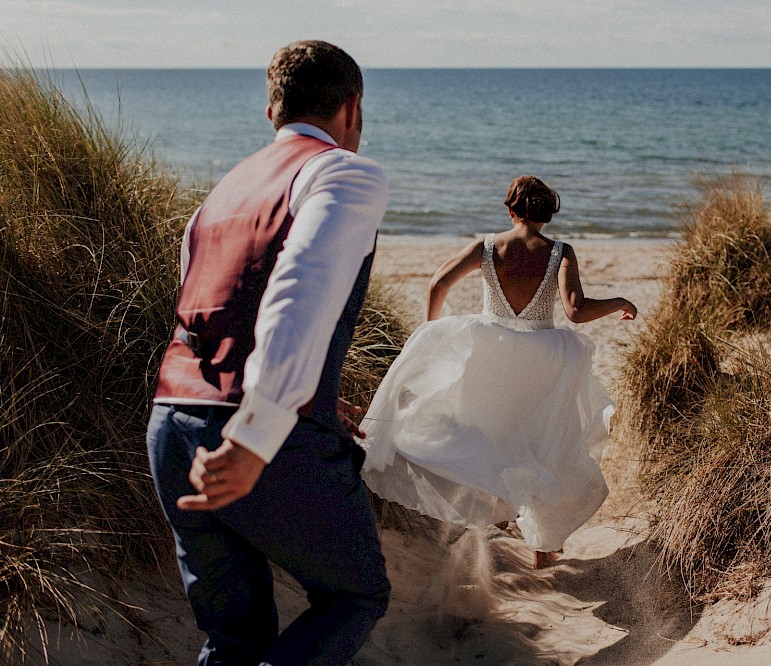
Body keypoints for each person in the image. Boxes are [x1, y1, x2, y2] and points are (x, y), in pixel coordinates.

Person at [146, 40, 390, 665]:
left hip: (171, 427)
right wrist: (260, 430)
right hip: (258, 435)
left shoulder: (221, 194)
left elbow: (218, 313)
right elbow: (297, 292)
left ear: (271, 112)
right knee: (354, 594)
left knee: (233, 637)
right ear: (352, 109)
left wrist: (322, 390)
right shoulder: (344, 172)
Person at [360, 175, 637, 569]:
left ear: (510, 210)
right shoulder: (560, 251)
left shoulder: (489, 246)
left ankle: (498, 519)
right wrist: (618, 301)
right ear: (547, 215)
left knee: (488, 437)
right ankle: (543, 549)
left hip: (491, 351)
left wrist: (431, 328)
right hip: (542, 359)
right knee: (542, 444)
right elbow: (575, 310)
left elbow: (439, 282)